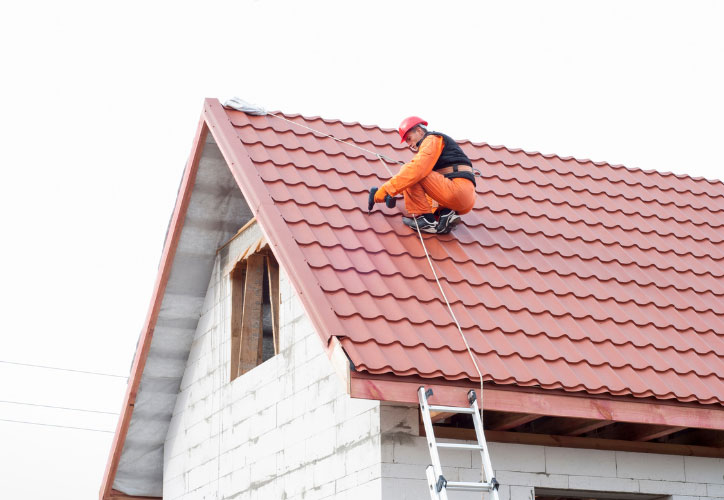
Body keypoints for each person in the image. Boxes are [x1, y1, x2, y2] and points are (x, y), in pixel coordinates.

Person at [370, 116, 477, 234]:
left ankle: (426, 219)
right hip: (465, 198)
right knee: (414, 179)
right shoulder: (438, 145)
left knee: (411, 171)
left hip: (456, 191)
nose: (409, 144)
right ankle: (446, 214)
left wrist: (385, 191)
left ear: (420, 131)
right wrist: (396, 193)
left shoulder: (431, 139)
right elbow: (423, 184)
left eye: (409, 138)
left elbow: (415, 171)